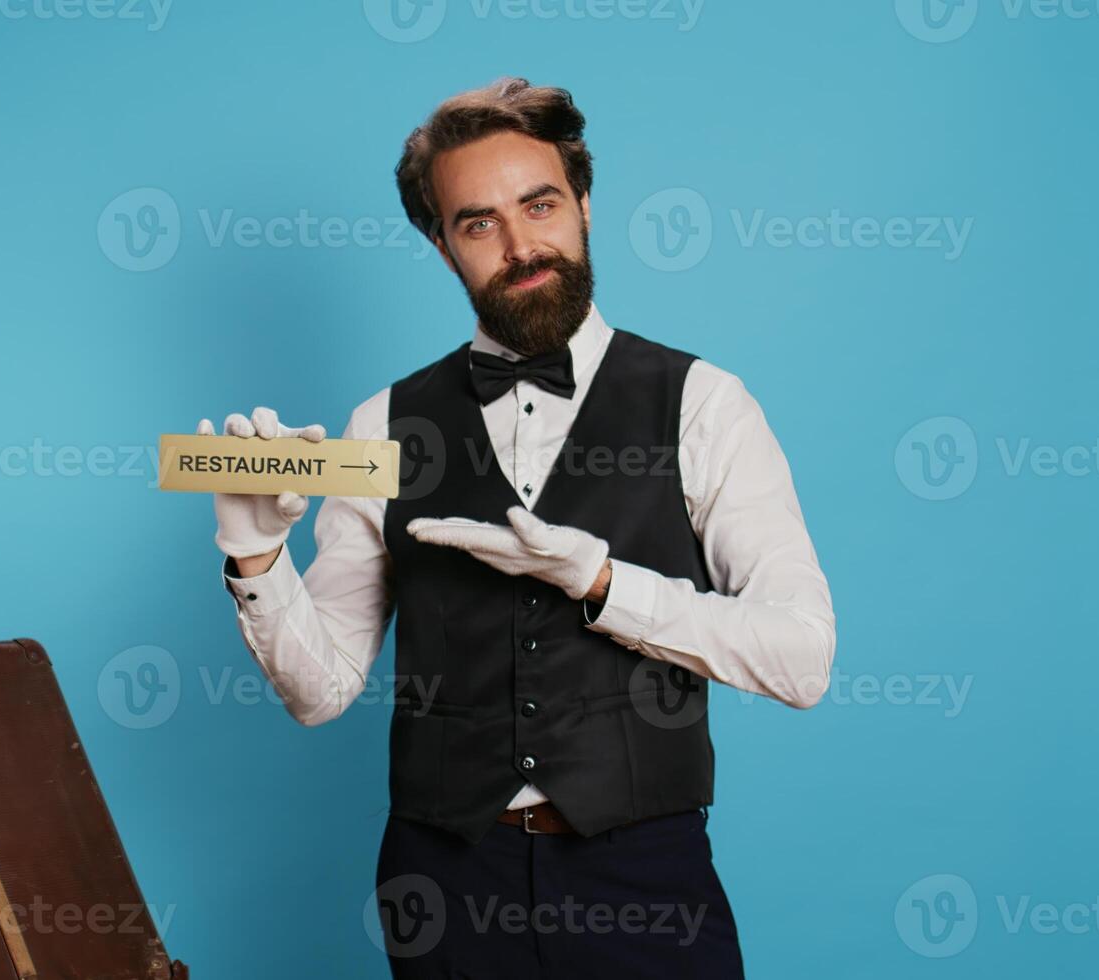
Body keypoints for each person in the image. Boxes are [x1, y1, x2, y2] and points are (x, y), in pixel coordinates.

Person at [196, 77, 835, 979]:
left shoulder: (703, 405)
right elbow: (321, 690)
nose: (521, 244)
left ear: (583, 203)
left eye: (539, 205)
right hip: (445, 883)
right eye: (478, 221)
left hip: (642, 881)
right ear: (440, 243)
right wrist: (256, 553)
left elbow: (803, 657)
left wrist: (605, 584)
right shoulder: (382, 424)